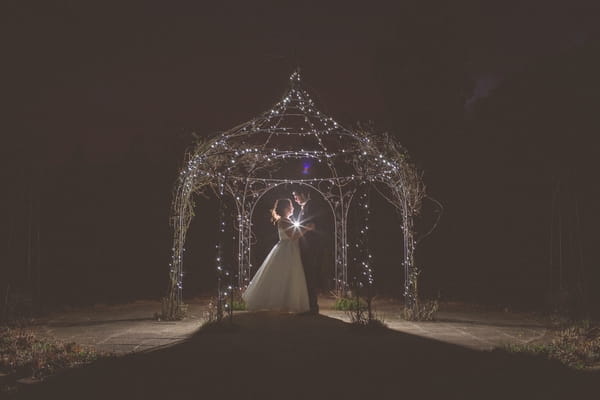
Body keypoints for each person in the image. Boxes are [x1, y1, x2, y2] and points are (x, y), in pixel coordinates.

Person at [242, 198, 310, 313]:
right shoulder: (283, 221)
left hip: (290, 250)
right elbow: (292, 235)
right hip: (286, 251)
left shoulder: (286, 220)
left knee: (288, 277)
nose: (293, 208)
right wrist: (307, 228)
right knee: (284, 276)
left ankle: (286, 303)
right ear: (285, 208)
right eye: (290, 206)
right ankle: (281, 303)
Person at [293, 187, 322, 314]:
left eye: (296, 195)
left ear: (303, 194)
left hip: (311, 246)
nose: (295, 199)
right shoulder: (303, 207)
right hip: (305, 245)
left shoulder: (312, 206)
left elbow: (313, 225)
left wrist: (299, 230)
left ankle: (312, 306)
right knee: (306, 275)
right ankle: (308, 305)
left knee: (310, 275)